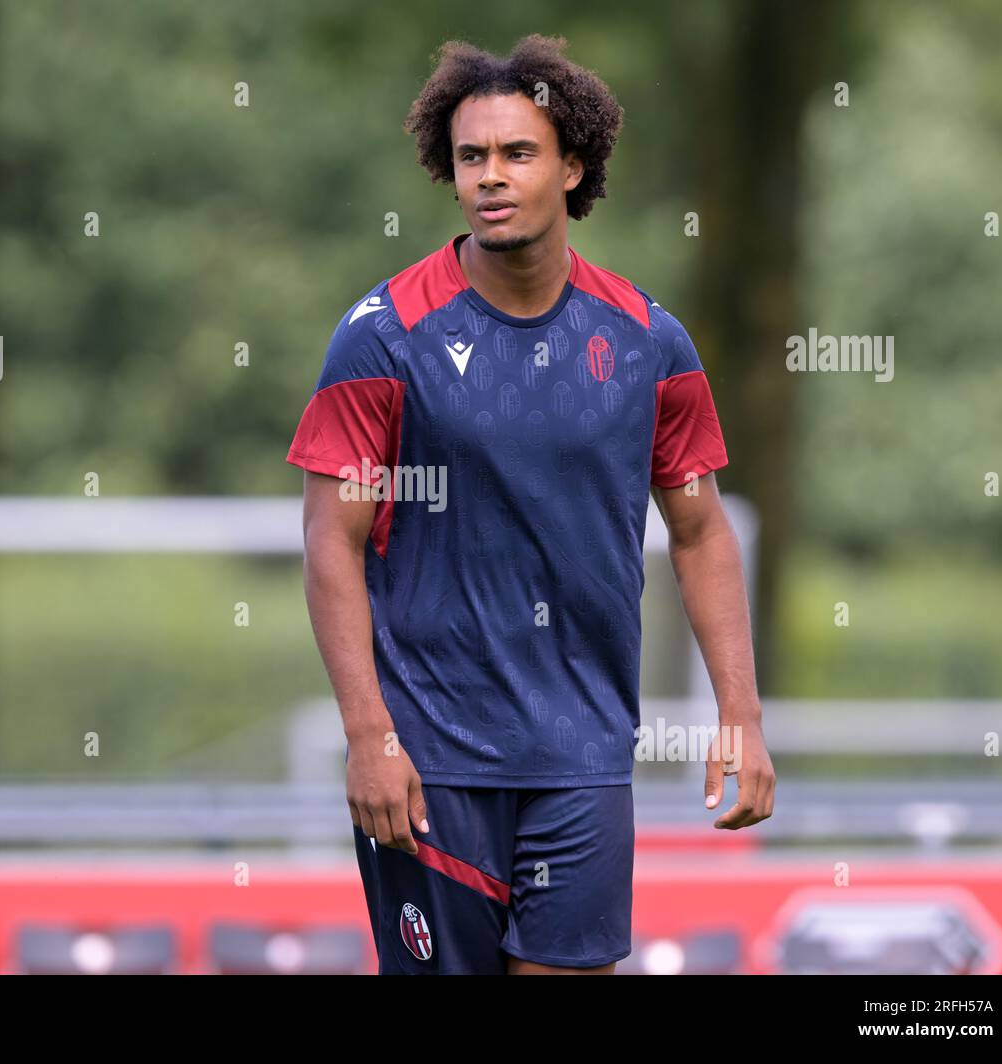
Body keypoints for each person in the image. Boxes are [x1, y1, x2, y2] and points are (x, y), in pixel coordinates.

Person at [285, 34, 774, 975]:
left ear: (573, 166)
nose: (490, 177)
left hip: (584, 756)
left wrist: (741, 716)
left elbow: (701, 529)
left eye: (517, 153)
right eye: (472, 157)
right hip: (433, 757)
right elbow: (329, 544)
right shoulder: (381, 338)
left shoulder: (648, 341)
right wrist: (368, 737)